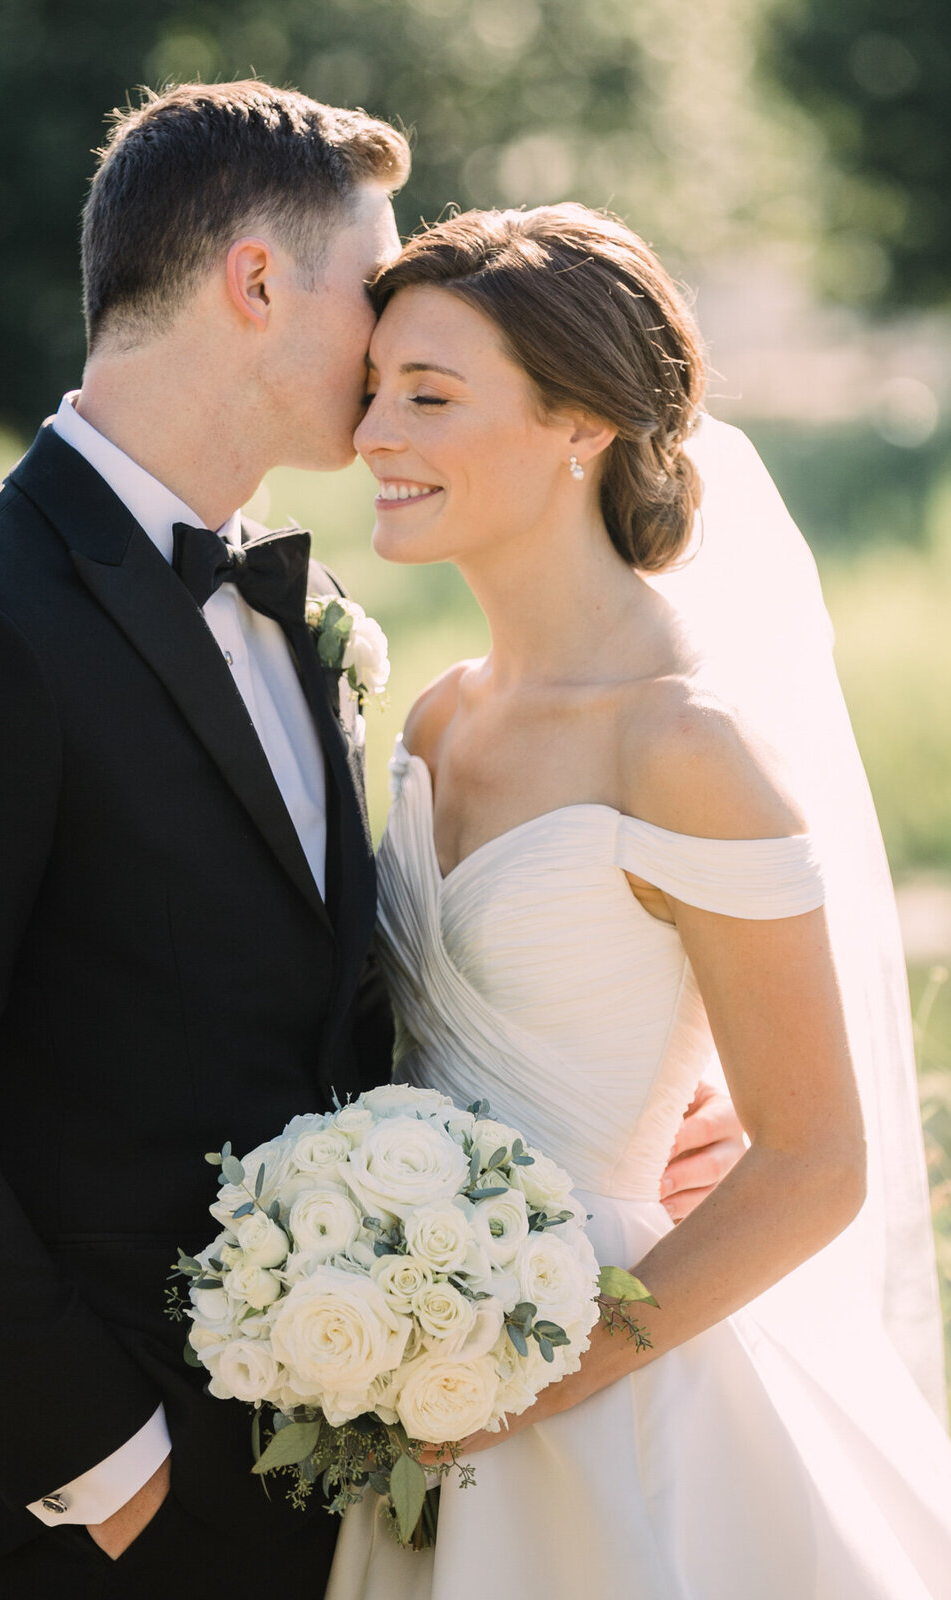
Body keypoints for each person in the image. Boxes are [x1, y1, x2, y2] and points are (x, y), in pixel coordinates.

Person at [0, 87, 744, 1600]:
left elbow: (326, 994)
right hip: (108, 1487)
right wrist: (109, 1464)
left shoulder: (307, 618)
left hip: (341, 1444)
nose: (387, 348)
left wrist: (621, 1131)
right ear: (255, 284)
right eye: (371, 295)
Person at [327, 204, 951, 1600]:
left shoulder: (682, 744)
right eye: (374, 388)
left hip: (617, 1390)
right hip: (411, 1375)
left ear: (579, 425)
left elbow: (814, 1162)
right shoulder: (437, 719)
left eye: (429, 394)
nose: (373, 432)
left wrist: (538, 1381)